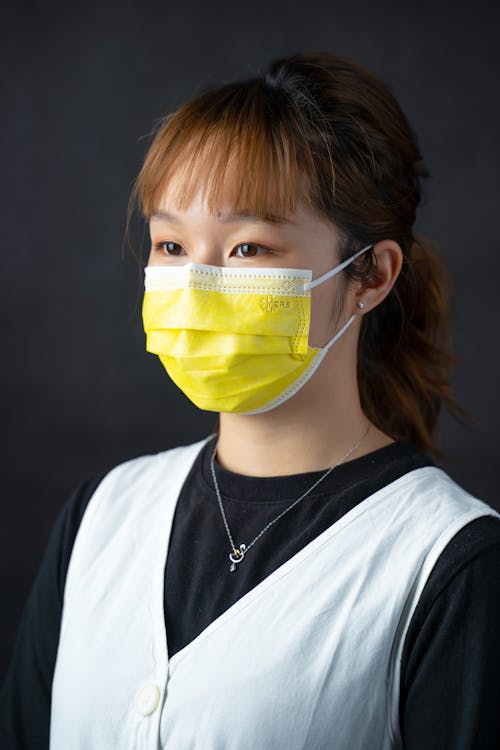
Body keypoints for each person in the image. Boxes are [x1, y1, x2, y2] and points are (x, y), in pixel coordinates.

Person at [1, 51, 499, 750]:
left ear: (370, 276)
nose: (195, 282)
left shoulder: (449, 565)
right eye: (171, 243)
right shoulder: (99, 518)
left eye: (247, 250)